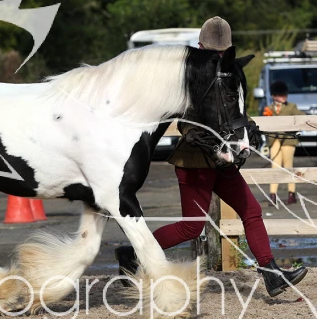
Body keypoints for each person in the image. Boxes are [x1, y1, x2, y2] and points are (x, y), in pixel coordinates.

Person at [115, 17, 307, 297]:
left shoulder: (228, 74)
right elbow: (183, 122)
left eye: (222, 52)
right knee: (191, 228)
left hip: (223, 162)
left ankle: (272, 274)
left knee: (251, 211)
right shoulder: (188, 75)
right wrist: (201, 137)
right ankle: (133, 254)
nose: (218, 57)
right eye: (214, 52)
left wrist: (248, 128)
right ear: (200, 48)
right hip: (195, 162)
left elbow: (234, 112)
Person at [263, 80, 304, 205]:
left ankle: (291, 193)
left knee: (288, 166)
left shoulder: (291, 107)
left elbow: (301, 116)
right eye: (281, 95)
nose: (284, 97)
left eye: (284, 94)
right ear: (274, 96)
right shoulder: (268, 109)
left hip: (288, 140)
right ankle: (273, 195)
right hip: (274, 140)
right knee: (274, 166)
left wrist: (292, 126)